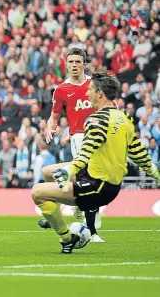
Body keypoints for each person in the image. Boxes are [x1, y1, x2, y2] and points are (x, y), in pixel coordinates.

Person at [32, 72, 160, 253]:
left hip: (97, 185)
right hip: (105, 180)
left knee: (37, 192)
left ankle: (67, 238)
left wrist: (68, 171)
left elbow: (84, 154)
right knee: (47, 172)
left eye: (90, 89)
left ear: (100, 93)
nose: (86, 93)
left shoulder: (96, 120)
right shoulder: (124, 118)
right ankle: (61, 211)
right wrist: (155, 172)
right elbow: (137, 152)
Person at [41, 48, 105, 243]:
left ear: (84, 64)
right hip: (79, 138)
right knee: (90, 178)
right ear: (66, 64)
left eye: (78, 62)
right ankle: (92, 232)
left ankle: (77, 204)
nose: (74, 65)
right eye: (71, 62)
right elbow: (54, 116)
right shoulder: (61, 90)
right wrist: (49, 128)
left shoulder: (94, 85)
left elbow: (107, 107)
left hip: (99, 136)